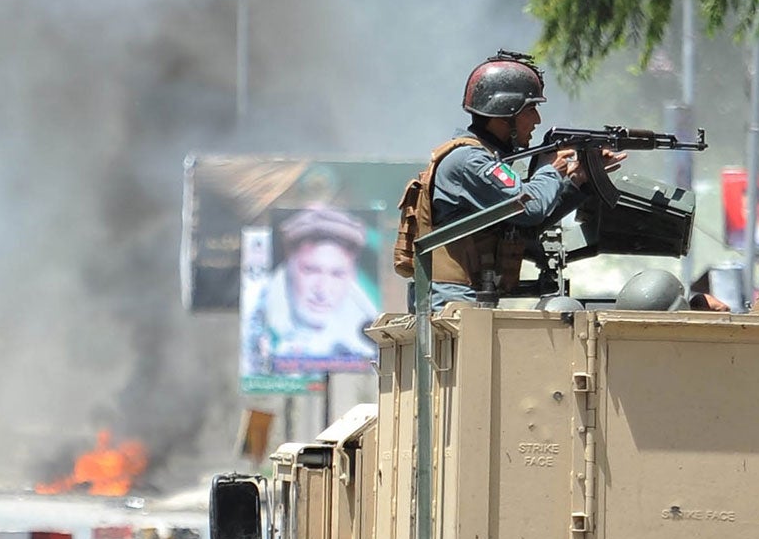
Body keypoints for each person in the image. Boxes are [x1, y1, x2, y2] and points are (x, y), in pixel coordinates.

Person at [400, 51, 618, 308]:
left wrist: (578, 180)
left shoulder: (483, 159)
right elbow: (532, 209)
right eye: (531, 109)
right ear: (505, 113)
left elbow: (526, 226)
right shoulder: (470, 161)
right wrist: (550, 169)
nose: (537, 120)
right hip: (452, 302)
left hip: (466, 300)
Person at [247, 205, 380, 369]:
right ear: (288, 265)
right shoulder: (258, 321)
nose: (322, 290)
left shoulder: (364, 337)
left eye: (337, 274)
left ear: (352, 275)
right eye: (311, 270)